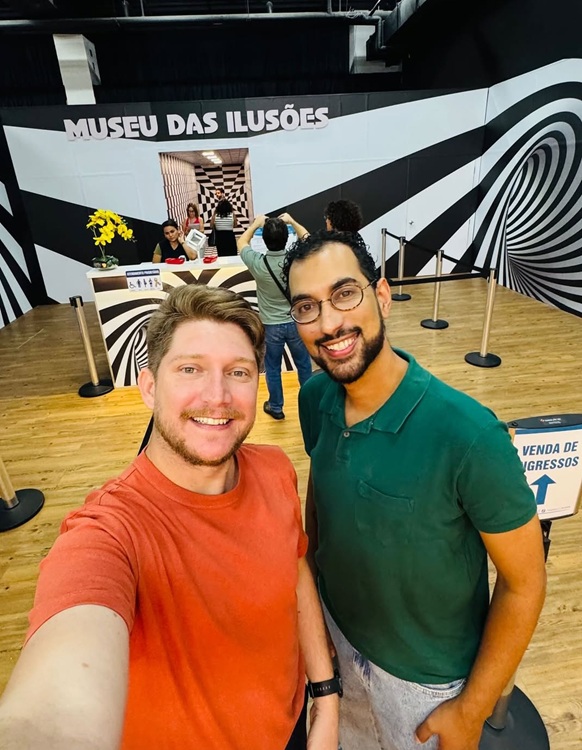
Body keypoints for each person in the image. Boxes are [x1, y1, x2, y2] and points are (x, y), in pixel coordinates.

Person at [0, 285, 340, 750]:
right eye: (190, 369)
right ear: (149, 387)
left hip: (293, 726)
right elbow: (56, 701)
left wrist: (326, 694)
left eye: (237, 372)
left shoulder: (276, 469)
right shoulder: (109, 532)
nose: (217, 396)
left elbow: (295, 574)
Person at [282, 230, 547, 750]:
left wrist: (472, 709)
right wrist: (314, 617)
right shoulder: (315, 397)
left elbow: (525, 583)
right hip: (335, 643)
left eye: (344, 294)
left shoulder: (469, 434)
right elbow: (320, 497)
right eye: (307, 307)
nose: (329, 323)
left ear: (381, 294)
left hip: (426, 685)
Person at [238, 214, 313, 421]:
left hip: (271, 325)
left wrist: (256, 223)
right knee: (303, 364)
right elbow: (308, 239)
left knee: (272, 367)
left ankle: (276, 406)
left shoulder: (257, 262)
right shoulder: (295, 260)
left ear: (264, 240)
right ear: (286, 238)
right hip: (296, 321)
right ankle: (310, 403)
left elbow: (241, 242)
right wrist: (293, 221)